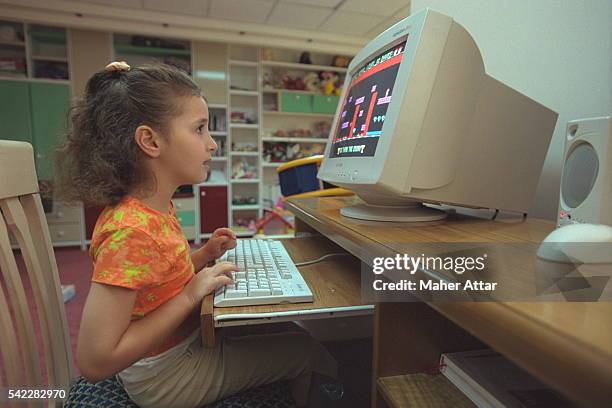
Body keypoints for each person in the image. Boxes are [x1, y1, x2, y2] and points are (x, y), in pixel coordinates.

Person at [55, 61, 337, 407]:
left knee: (285, 331)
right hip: (165, 377)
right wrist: (190, 296)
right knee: (304, 349)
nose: (213, 144)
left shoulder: (154, 210)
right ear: (150, 141)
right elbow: (95, 361)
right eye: (200, 129)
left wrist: (202, 256)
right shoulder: (130, 231)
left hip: (175, 354)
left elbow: (154, 282)